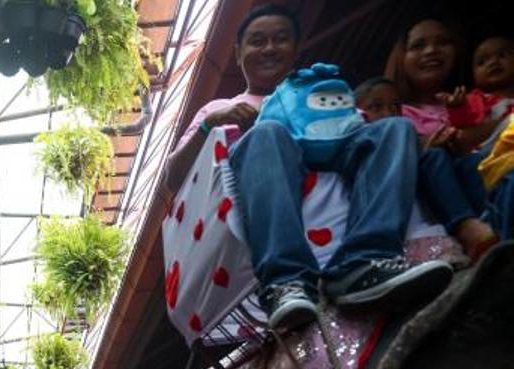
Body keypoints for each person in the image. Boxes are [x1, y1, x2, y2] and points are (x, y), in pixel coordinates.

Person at [169, 4, 452, 332]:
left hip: (332, 152)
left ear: (296, 48)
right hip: (268, 168)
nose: (270, 48)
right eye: (258, 41)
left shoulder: (321, 89)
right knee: (267, 133)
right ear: (238, 53)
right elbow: (174, 179)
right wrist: (210, 127)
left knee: (396, 129)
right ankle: (286, 280)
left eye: (280, 39)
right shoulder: (221, 107)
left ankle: (366, 260)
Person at [380, 19, 498, 259]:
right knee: (434, 157)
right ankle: (467, 227)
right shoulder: (392, 111)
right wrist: (426, 144)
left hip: (480, 178)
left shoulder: (477, 101)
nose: (431, 51)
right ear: (401, 58)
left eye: (443, 42)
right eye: (418, 45)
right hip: (431, 203)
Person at [355, 75, 497, 262]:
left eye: (395, 106)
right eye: (376, 107)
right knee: (434, 157)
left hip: (437, 192)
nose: (388, 113)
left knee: (469, 162)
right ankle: (467, 228)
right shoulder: (359, 140)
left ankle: (493, 222)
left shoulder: (409, 133)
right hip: (412, 213)